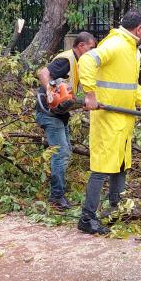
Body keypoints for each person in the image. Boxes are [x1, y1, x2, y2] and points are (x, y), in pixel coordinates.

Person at [77, 10, 141, 235]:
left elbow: (131, 86)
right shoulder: (116, 44)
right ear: (139, 29)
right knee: (101, 168)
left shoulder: (131, 50)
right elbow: (87, 60)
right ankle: (87, 218)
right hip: (107, 118)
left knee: (120, 164)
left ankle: (116, 209)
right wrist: (89, 94)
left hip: (123, 118)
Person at [35, 32, 97, 210]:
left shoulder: (78, 64)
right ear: (80, 46)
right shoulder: (67, 60)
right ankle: (56, 197)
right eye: (91, 48)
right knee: (61, 153)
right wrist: (51, 92)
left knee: (66, 152)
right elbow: (43, 73)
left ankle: (59, 191)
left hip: (60, 114)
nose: (93, 53)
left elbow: (68, 95)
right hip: (49, 113)